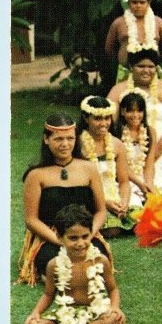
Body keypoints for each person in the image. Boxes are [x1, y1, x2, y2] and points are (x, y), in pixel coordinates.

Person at [18, 114, 112, 286]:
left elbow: (101, 211)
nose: (65, 144)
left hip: (84, 235)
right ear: (46, 139)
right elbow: (31, 220)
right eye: (59, 139)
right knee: (60, 271)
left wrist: (86, 236)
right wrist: (61, 240)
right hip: (51, 236)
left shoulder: (89, 169)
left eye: (70, 138)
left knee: (96, 266)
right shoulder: (36, 175)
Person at [23, 204, 126, 324]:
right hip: (66, 314)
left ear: (92, 234)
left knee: (114, 320)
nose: (80, 243)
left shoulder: (100, 261)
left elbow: (113, 289)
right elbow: (48, 295)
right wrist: (35, 313)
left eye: (85, 236)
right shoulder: (54, 264)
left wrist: (115, 307)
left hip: (96, 314)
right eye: (73, 238)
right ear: (59, 238)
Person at [108, 48, 162, 189]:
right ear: (131, 67)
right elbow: (109, 121)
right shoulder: (119, 89)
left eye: (151, 66)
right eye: (141, 66)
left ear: (156, 68)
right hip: (131, 143)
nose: (146, 71)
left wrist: (157, 150)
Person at [76, 96, 133, 237]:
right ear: (85, 118)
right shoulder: (77, 145)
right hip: (88, 198)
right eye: (97, 119)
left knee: (140, 220)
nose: (104, 123)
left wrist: (124, 202)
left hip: (114, 197)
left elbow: (124, 182)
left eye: (107, 118)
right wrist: (105, 203)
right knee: (111, 230)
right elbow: (79, 186)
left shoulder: (116, 144)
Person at [114, 87, 162, 206]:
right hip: (124, 176)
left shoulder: (150, 131)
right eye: (130, 111)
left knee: (161, 197)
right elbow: (121, 166)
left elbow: (149, 163)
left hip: (145, 173)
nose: (135, 115)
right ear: (122, 112)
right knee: (133, 203)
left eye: (139, 111)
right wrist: (139, 183)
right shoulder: (116, 133)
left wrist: (149, 183)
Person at [105, 0, 162, 82]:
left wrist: (151, 60)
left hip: (151, 72)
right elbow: (110, 49)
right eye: (134, 2)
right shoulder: (118, 23)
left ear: (148, 3)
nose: (138, 6)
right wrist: (124, 59)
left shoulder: (159, 23)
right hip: (126, 72)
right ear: (128, 3)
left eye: (142, 2)